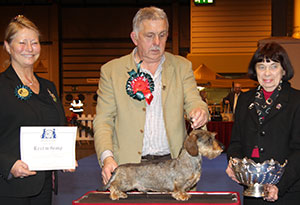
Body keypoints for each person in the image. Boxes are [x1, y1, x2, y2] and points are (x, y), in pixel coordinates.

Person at [93, 6, 209, 185]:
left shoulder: (182, 66)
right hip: (129, 168)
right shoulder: (111, 71)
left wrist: (199, 110)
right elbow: (103, 120)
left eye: (162, 35)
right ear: (135, 38)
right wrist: (107, 158)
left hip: (174, 166)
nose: (157, 42)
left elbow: (194, 100)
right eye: (149, 35)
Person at [0, 15, 76, 204]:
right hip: (9, 187)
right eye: (22, 42)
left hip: (43, 186)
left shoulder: (49, 87)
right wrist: (8, 164)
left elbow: (58, 127)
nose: (29, 49)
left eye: (34, 42)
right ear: (8, 47)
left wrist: (65, 156)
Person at [226, 42, 300, 204]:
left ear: (284, 70)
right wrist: (234, 163)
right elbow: (236, 143)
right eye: (261, 66)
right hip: (252, 192)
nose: (267, 73)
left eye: (274, 66)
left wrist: (279, 185)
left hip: (287, 192)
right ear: (255, 70)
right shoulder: (245, 100)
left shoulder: (296, 101)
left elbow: (298, 150)